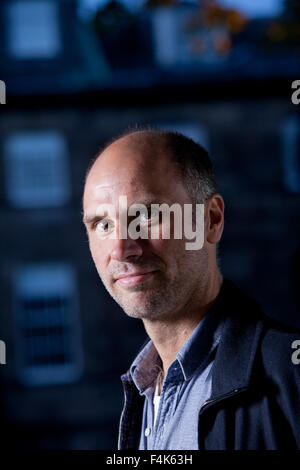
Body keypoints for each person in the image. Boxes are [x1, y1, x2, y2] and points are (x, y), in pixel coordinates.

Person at [82, 128, 300, 450]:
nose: (122, 248)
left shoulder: (291, 380)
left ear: (211, 220)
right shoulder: (143, 395)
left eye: (147, 216)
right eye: (103, 224)